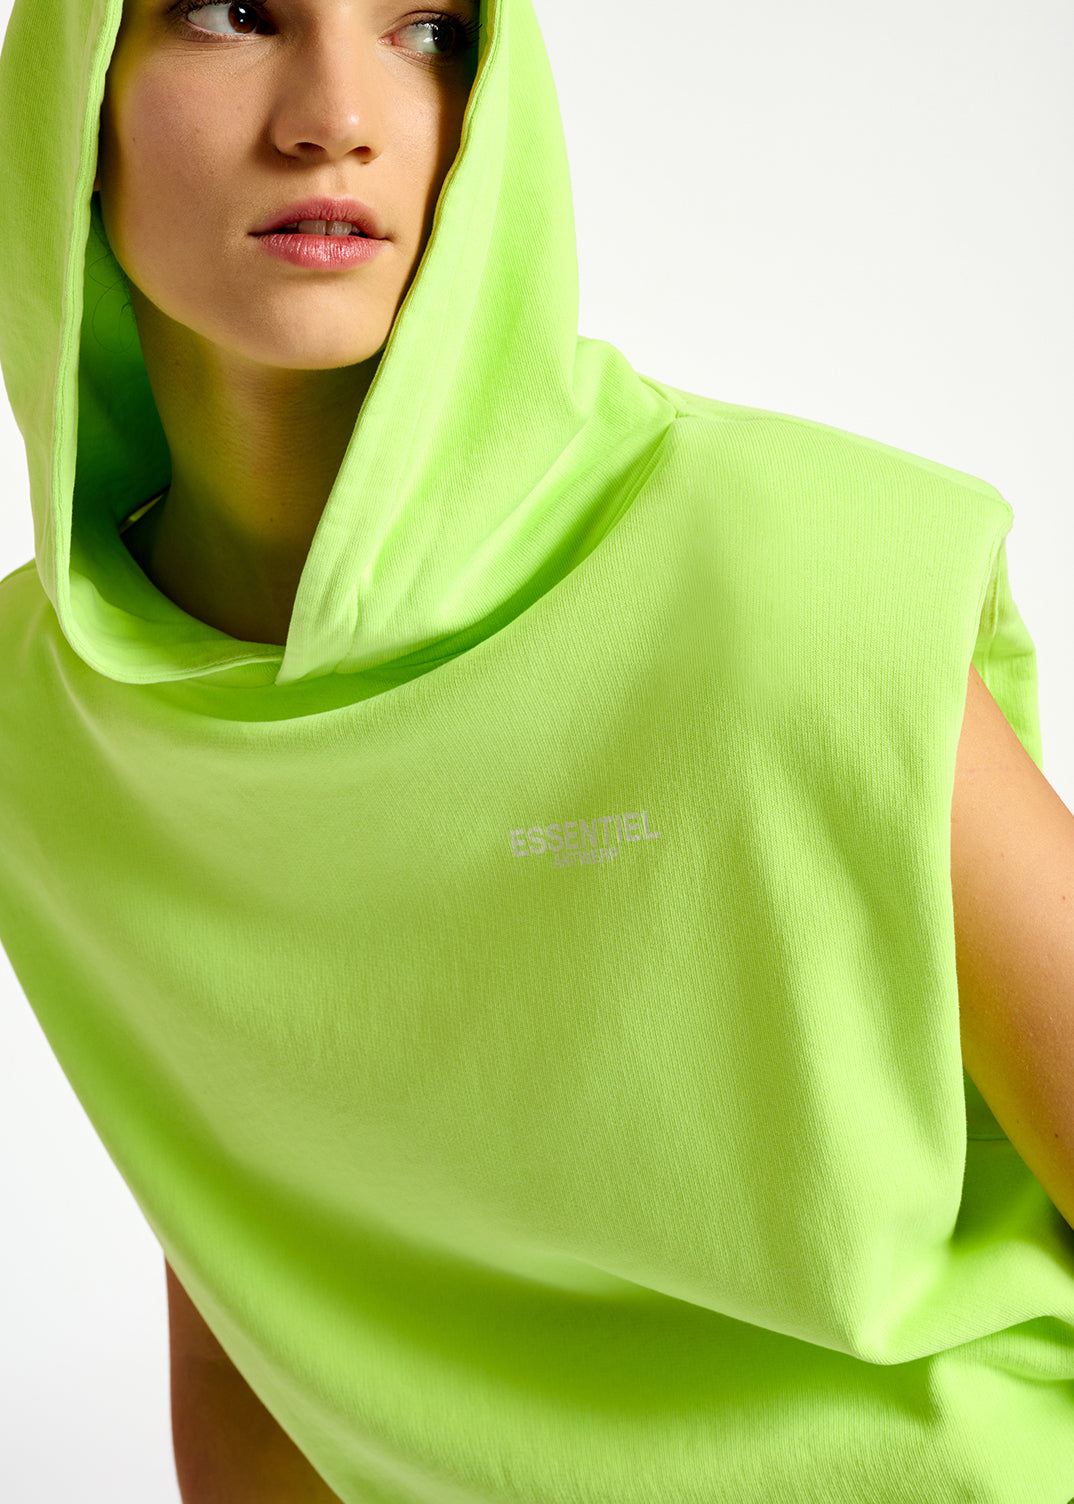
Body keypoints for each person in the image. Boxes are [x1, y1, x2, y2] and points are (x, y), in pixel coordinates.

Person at [0, 1, 1072, 1501]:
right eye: (235, 13)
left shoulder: (776, 574)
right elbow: (263, 1329)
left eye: (428, 30)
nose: (336, 118)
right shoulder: (39, 730)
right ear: (76, 93)